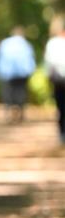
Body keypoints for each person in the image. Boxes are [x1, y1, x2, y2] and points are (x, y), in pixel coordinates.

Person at [0, 26, 36, 122]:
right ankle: (20, 112)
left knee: (7, 92)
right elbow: (30, 61)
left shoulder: (5, 44)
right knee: (21, 92)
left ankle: (8, 112)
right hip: (22, 73)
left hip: (7, 73)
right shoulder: (26, 44)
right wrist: (30, 71)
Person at [44, 15, 65, 144]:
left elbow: (49, 63)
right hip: (59, 80)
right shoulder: (53, 43)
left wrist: (49, 76)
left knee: (61, 107)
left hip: (58, 81)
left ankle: (62, 132)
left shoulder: (52, 43)